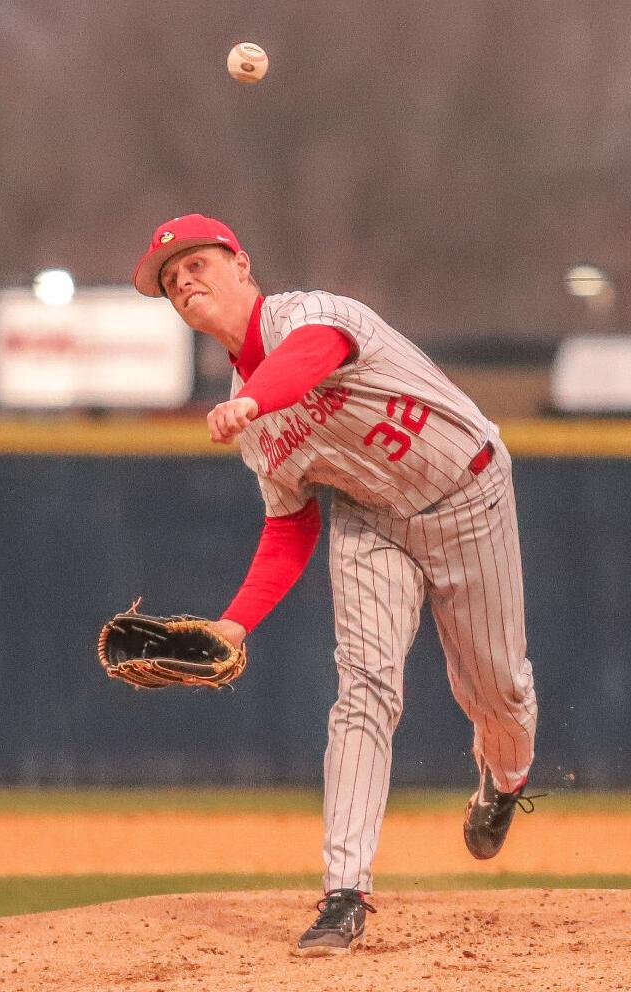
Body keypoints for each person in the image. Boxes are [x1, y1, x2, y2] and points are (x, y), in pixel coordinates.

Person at [132, 214, 540, 955]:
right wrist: (233, 623)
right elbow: (289, 525)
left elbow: (314, 357)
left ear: (241, 265)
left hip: (469, 493)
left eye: (196, 265)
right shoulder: (251, 423)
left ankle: (504, 779)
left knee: (496, 692)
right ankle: (344, 894)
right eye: (170, 281)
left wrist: (256, 398)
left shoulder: (310, 315)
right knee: (363, 691)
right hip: (370, 518)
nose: (184, 283)